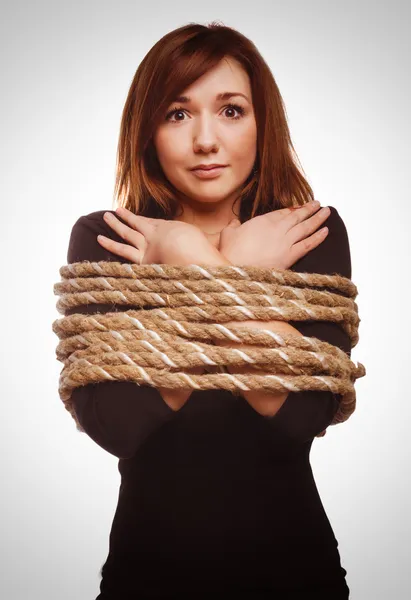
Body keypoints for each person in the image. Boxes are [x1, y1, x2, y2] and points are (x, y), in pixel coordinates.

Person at [65, 22, 353, 599]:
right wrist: (209, 261)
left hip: (298, 577)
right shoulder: (108, 241)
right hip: (145, 580)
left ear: (261, 123)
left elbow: (302, 415)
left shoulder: (307, 235)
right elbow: (119, 425)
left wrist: (199, 267)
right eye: (177, 113)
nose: (205, 140)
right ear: (146, 130)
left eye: (231, 111)